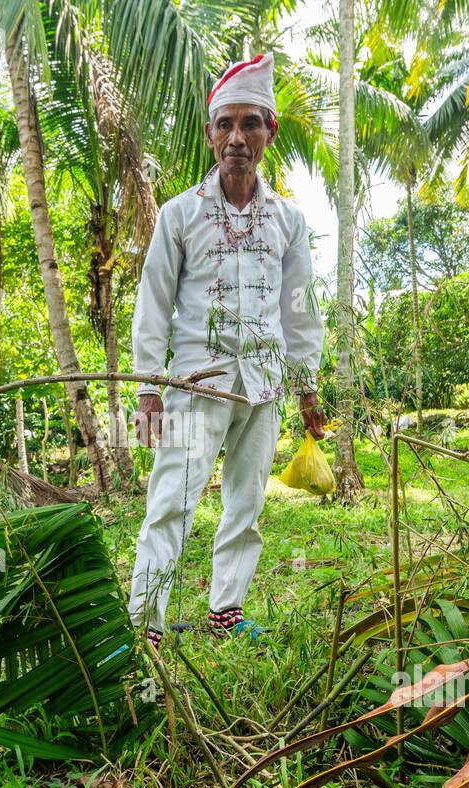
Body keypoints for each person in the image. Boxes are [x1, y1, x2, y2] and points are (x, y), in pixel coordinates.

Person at [127, 51, 326, 649]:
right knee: (170, 505)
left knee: (245, 507)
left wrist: (307, 385)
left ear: (270, 130)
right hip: (196, 385)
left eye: (250, 124)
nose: (236, 138)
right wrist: (147, 388)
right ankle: (147, 628)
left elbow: (299, 310)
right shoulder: (180, 214)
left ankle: (226, 613)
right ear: (210, 133)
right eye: (225, 125)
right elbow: (154, 303)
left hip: (263, 388)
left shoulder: (289, 221)